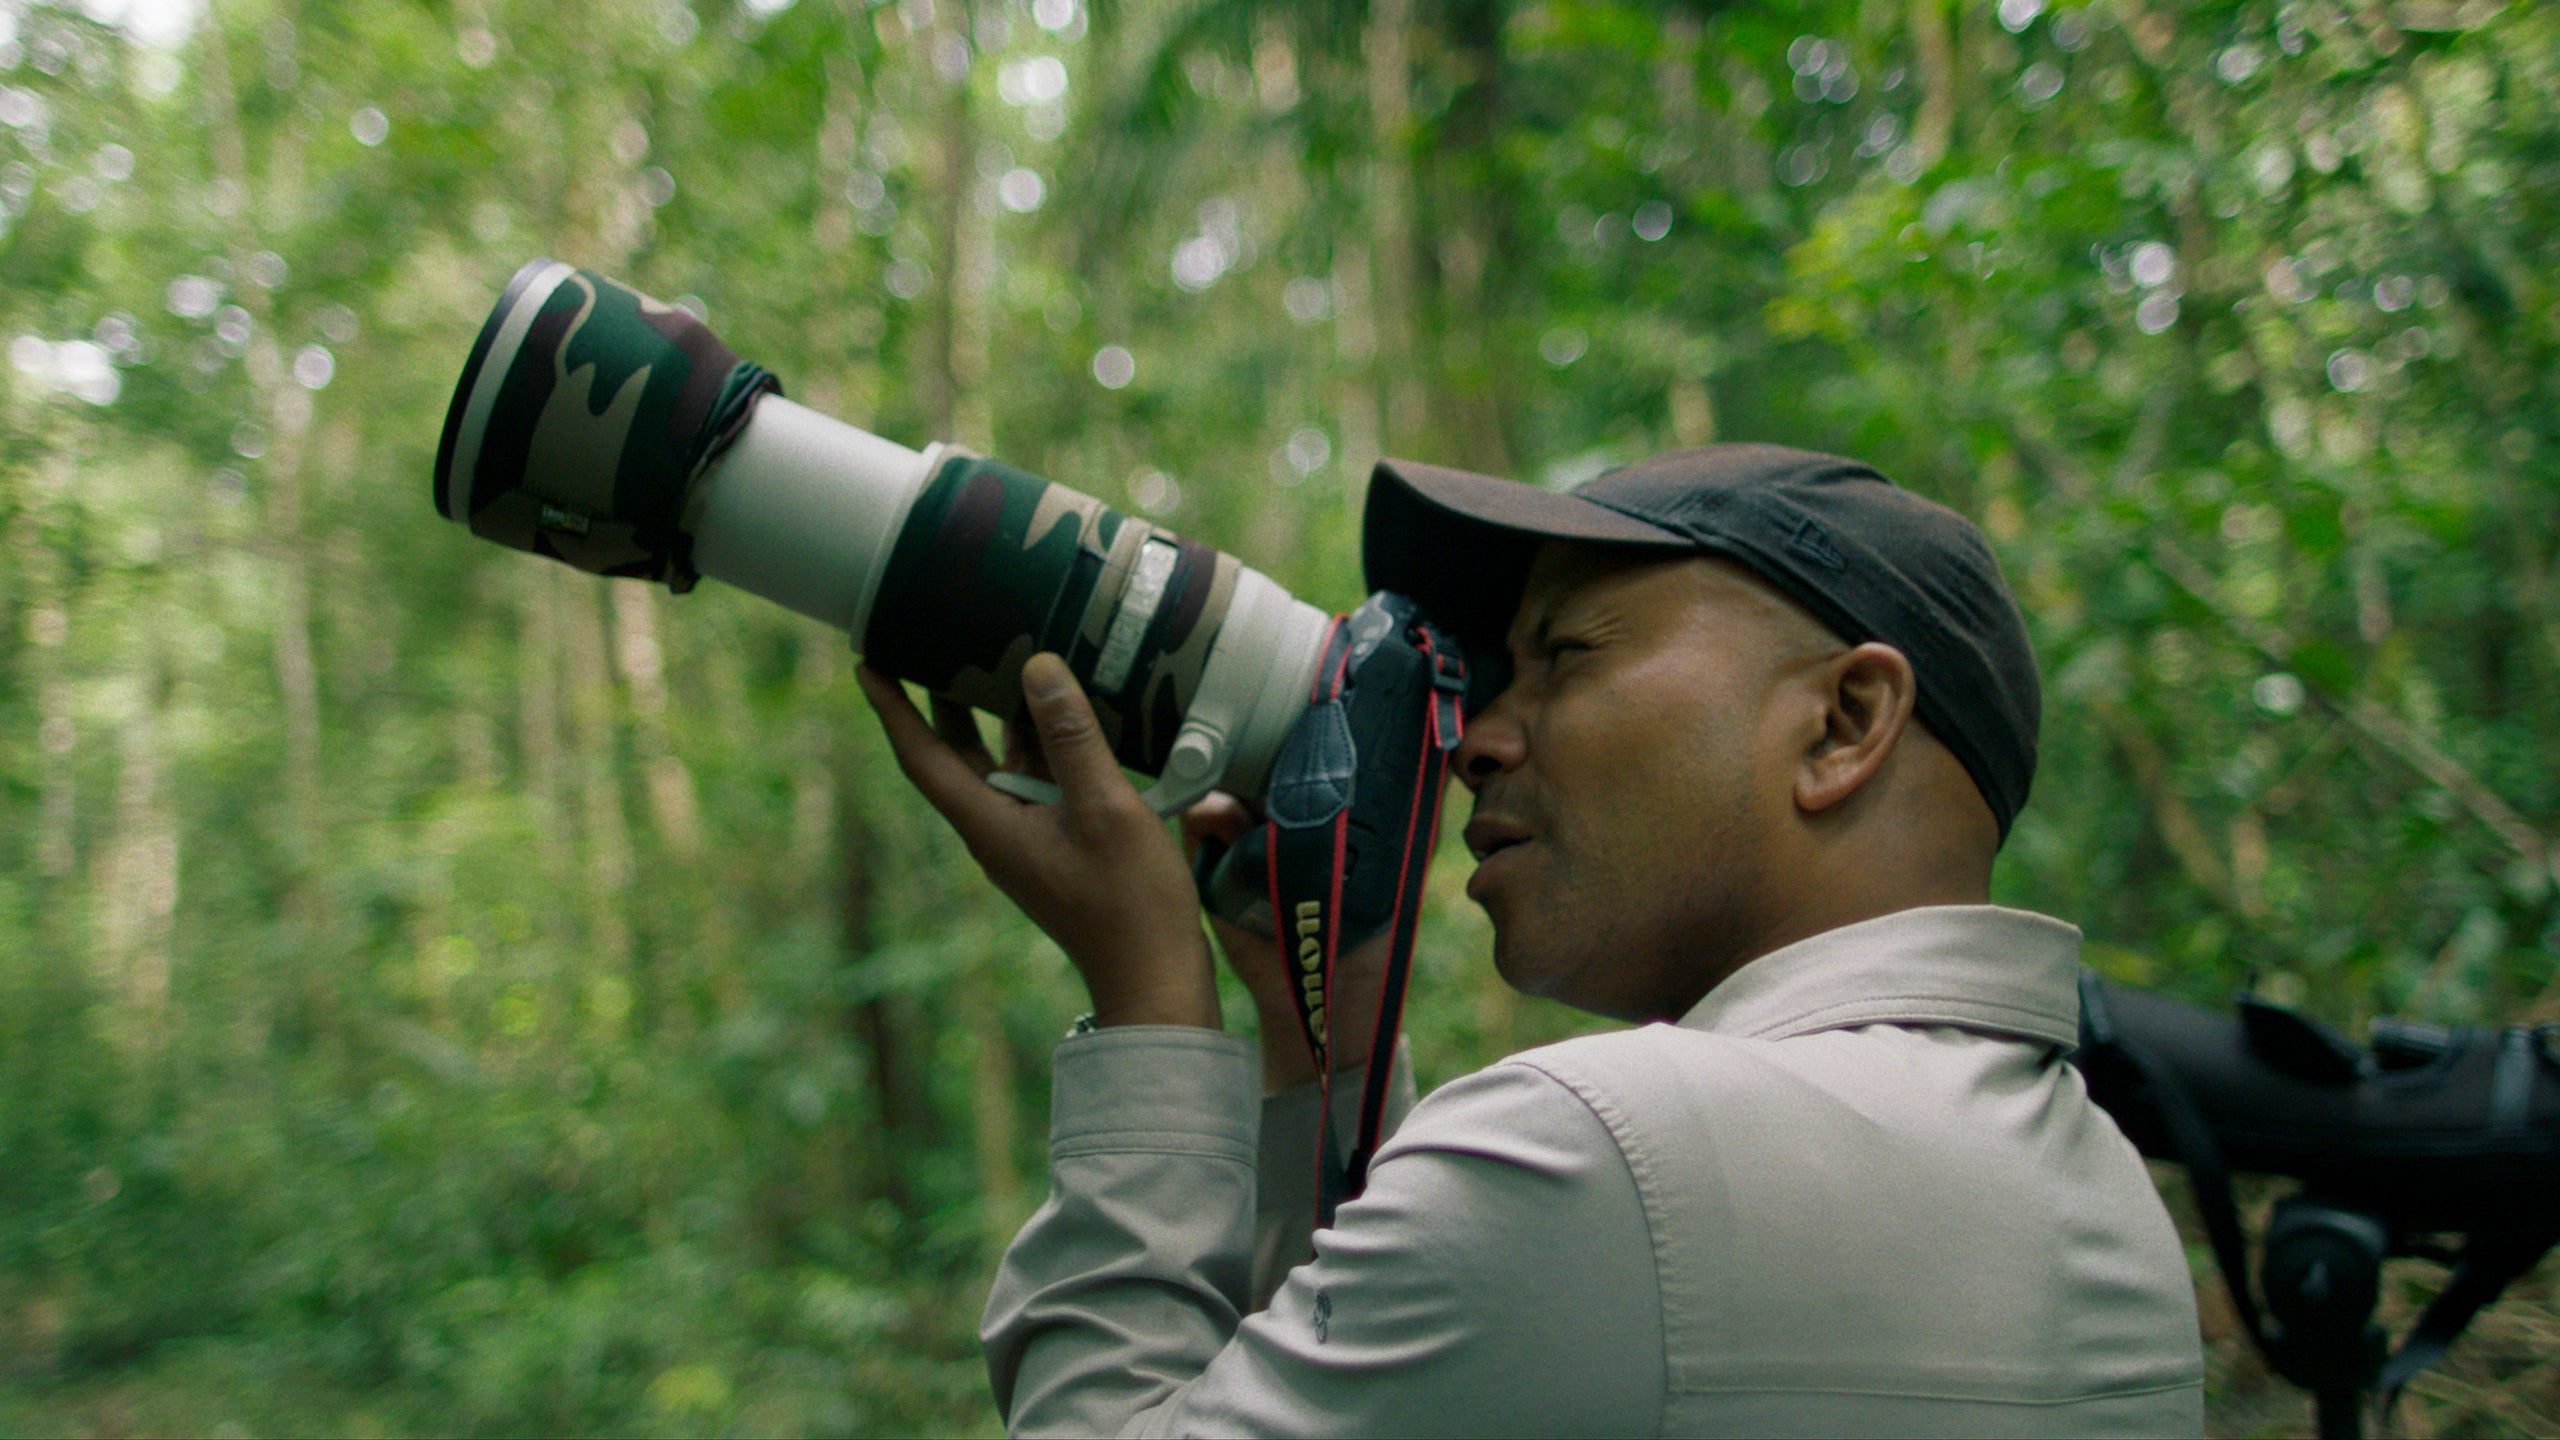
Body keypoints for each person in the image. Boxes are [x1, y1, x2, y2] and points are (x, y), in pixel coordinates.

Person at [858, 444, 2207, 1437]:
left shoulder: (1610, 1151)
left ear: (1843, 723)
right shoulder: (2104, 1195)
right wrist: (1322, 1033)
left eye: (1564, 655)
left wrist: (1150, 993)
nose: (1479, 741)